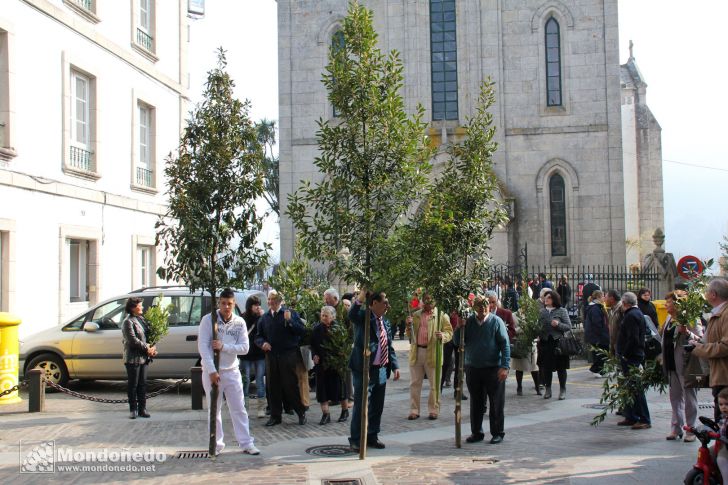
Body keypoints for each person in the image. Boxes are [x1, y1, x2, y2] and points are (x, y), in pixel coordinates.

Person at [198, 288, 259, 455]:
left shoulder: (239, 322)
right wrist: (211, 370)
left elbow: (245, 348)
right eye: (223, 303)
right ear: (219, 303)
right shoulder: (208, 320)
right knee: (215, 409)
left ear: (234, 304)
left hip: (232, 370)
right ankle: (216, 444)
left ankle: (246, 443)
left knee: (239, 407)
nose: (226, 307)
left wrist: (225, 347)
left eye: (229, 304)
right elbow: (203, 346)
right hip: (212, 372)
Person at [348, 290, 400, 451]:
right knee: (361, 404)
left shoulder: (385, 322)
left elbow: (388, 346)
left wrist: (395, 365)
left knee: (377, 405)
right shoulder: (364, 317)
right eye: (385, 302)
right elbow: (352, 315)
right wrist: (361, 297)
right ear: (374, 303)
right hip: (364, 369)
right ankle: (356, 439)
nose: (387, 305)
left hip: (382, 369)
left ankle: (372, 435)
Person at [454, 295, 510, 444]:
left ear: (489, 307)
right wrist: (459, 327)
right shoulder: (469, 322)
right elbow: (457, 341)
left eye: (485, 307)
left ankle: (497, 432)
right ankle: (477, 432)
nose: (482, 310)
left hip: (493, 368)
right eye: (479, 308)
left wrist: (505, 366)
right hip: (473, 367)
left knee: (496, 402)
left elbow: (505, 345)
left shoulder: (496, 322)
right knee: (476, 402)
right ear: (474, 308)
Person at [255, 290, 308, 426]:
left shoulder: (289, 313)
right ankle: (275, 415)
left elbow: (301, 331)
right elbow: (258, 336)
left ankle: (300, 412)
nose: (270, 301)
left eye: (273, 299)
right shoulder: (265, 318)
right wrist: (263, 343)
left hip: (287, 355)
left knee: (290, 385)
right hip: (271, 356)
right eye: (269, 299)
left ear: (279, 301)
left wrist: (289, 321)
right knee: (273, 386)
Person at [661, 290, 702, 442]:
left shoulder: (690, 318)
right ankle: (676, 428)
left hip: (687, 363)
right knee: (675, 397)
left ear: (678, 303)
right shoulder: (669, 318)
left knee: (690, 397)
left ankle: (690, 430)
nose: (666, 304)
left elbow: (701, 340)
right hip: (671, 362)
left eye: (669, 302)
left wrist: (687, 333)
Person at [405, 292, 453, 420]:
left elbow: (449, 332)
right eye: (425, 299)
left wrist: (442, 336)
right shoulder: (416, 315)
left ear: (435, 301)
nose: (428, 302)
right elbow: (410, 335)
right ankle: (414, 410)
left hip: (433, 352)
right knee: (415, 383)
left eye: (430, 299)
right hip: (417, 351)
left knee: (434, 383)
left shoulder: (441, 315)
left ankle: (433, 410)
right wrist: (408, 326)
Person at [690, 278, 728, 423]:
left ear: (713, 294)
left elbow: (725, 346)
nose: (705, 294)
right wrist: (698, 343)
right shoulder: (718, 313)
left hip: (724, 376)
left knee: (722, 422)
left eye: (707, 291)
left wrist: (699, 348)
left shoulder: (725, 314)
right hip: (719, 374)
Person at [616, 291, 651, 430]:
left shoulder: (631, 315)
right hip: (633, 355)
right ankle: (631, 415)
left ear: (625, 303)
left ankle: (644, 418)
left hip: (631, 356)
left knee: (635, 388)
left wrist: (624, 354)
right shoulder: (635, 314)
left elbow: (633, 338)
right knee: (629, 388)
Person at [311, 306, 349, 425]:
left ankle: (345, 410)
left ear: (333, 316)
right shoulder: (317, 329)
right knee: (322, 390)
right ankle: (326, 414)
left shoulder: (339, 328)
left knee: (340, 388)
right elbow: (313, 345)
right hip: (322, 364)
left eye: (326, 315)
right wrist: (314, 355)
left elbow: (345, 345)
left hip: (336, 364)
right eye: (322, 315)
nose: (323, 317)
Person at [122, 297, 157, 419]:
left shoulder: (141, 319)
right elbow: (132, 340)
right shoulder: (128, 322)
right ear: (133, 308)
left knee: (142, 384)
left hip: (144, 358)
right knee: (133, 384)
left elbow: (149, 335)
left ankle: (143, 408)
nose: (142, 307)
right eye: (140, 305)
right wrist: (147, 348)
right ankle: (133, 409)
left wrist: (152, 348)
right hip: (133, 358)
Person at [537, 291, 571, 400]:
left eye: (549, 298)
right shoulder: (542, 311)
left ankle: (562, 389)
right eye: (545, 298)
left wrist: (558, 324)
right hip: (545, 342)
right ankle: (548, 389)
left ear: (554, 299)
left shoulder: (562, 311)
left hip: (558, 343)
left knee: (561, 368)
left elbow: (568, 326)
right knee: (546, 368)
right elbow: (538, 326)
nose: (546, 299)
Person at [239, 295, 267, 419]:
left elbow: (266, 331)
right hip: (246, 354)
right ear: (250, 306)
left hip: (259, 353)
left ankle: (261, 408)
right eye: (256, 305)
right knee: (245, 381)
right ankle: (245, 408)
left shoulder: (262, 317)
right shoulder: (242, 318)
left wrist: (263, 317)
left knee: (260, 380)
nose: (258, 307)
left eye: (259, 305)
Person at [584, 290, 610, 376]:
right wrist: (603, 333)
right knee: (600, 353)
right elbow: (597, 323)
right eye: (603, 296)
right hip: (597, 335)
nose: (604, 298)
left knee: (602, 353)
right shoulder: (595, 308)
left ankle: (601, 371)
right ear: (598, 297)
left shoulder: (598, 306)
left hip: (598, 334)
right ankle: (595, 369)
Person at [715, 388, 728, 480]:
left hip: (727, 445)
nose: (723, 407)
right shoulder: (723, 418)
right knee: (709, 452)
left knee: (721, 459)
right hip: (723, 443)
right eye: (721, 404)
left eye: (727, 404)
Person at [605, 290, 624, 355]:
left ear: (612, 299)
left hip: (620, 346)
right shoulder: (612, 310)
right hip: (614, 346)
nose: (604, 299)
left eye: (606, 297)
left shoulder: (622, 309)